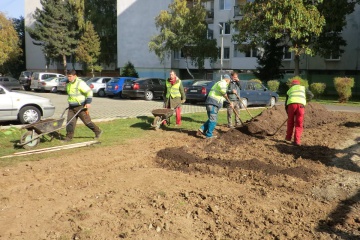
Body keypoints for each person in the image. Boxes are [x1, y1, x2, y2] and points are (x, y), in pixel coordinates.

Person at [63, 69, 102, 141]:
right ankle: (68, 137)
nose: (69, 78)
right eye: (68, 76)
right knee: (70, 122)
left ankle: (98, 131)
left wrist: (88, 102)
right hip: (71, 107)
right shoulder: (68, 84)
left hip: (81, 106)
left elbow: (89, 92)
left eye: (70, 76)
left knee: (87, 122)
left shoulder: (80, 83)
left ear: (75, 76)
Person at [197, 74, 232, 139]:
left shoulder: (218, 83)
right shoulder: (222, 83)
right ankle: (209, 135)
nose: (229, 82)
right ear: (227, 79)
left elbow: (221, 97)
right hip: (213, 104)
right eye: (229, 80)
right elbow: (223, 92)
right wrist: (226, 95)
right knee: (213, 120)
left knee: (211, 119)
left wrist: (228, 103)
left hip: (211, 103)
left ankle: (202, 129)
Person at [285, 79, 313, 146]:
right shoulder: (304, 88)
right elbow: (311, 95)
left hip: (291, 105)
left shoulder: (290, 90)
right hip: (301, 106)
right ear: (299, 84)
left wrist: (288, 112)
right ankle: (297, 141)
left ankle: (288, 138)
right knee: (299, 124)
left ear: (292, 84)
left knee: (290, 123)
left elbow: (286, 103)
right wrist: (305, 101)